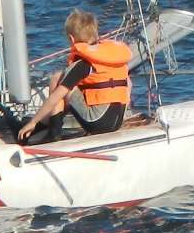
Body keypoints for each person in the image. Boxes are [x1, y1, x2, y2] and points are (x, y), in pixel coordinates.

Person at [17, 9, 130, 144]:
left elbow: (55, 97)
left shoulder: (83, 64)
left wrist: (33, 121)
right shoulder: (111, 58)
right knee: (68, 83)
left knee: (58, 80)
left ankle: (52, 133)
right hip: (116, 122)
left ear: (71, 39)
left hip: (96, 123)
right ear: (96, 33)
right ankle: (43, 126)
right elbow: (128, 84)